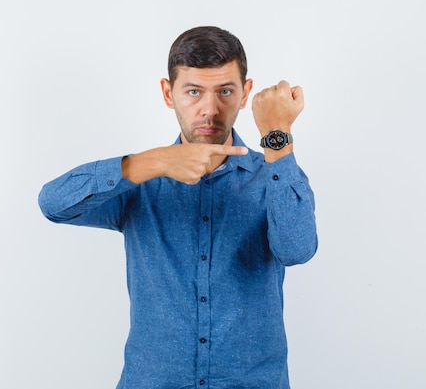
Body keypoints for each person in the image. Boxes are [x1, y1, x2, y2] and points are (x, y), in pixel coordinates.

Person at [38, 25, 317, 389]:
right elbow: (53, 204)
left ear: (246, 93)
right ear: (168, 93)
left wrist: (277, 138)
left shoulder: (275, 176)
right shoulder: (138, 181)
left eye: (225, 91)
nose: (209, 109)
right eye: (193, 92)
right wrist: (150, 164)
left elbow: (296, 249)